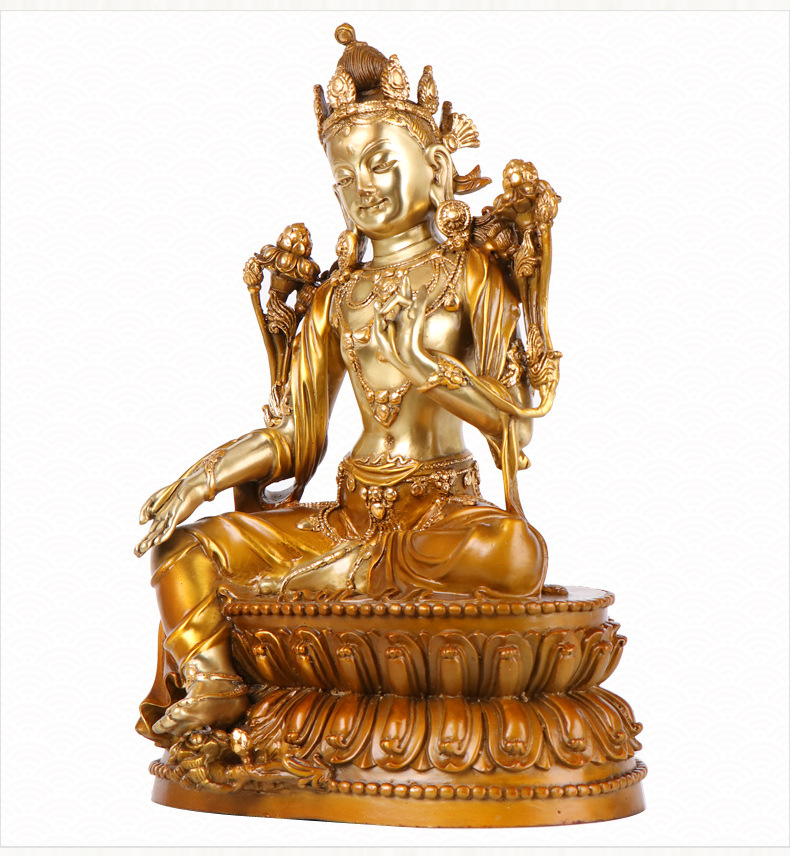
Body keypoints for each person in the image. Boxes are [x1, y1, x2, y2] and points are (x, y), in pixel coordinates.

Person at [135, 24, 556, 745]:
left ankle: (338, 608)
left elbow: (514, 425)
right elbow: (294, 436)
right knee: (183, 552)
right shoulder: (338, 297)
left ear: (436, 168)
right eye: (344, 177)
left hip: (442, 521)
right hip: (350, 516)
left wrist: (430, 373)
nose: (362, 187)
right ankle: (216, 685)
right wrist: (201, 478)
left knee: (516, 553)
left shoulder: (472, 276)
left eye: (380, 165)